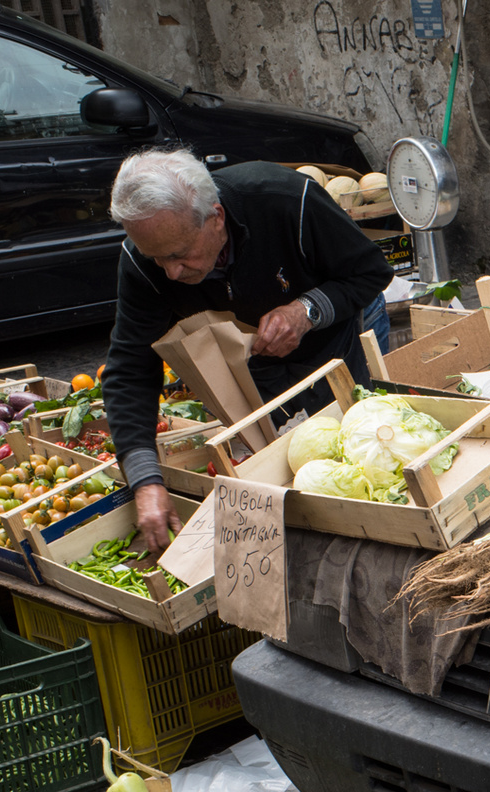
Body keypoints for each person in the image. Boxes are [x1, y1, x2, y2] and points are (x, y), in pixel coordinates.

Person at [102, 149, 394, 552]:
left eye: (178, 255)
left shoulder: (287, 201)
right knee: (286, 483)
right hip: (251, 373)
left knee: (354, 468)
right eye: (157, 259)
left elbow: (371, 271)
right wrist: (146, 480)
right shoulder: (142, 261)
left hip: (329, 350)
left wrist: (306, 311)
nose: (170, 273)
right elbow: (131, 368)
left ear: (216, 218)